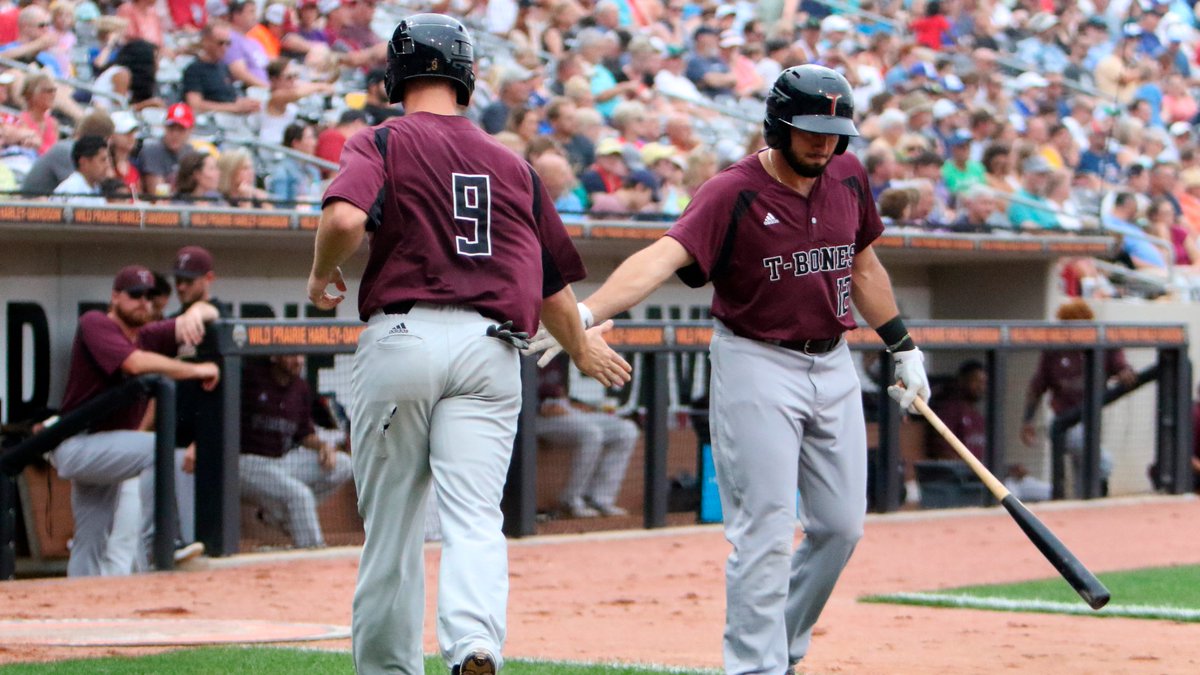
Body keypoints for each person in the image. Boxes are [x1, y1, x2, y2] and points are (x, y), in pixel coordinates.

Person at [526, 65, 931, 675]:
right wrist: (582, 313)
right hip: (756, 361)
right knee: (765, 531)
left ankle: (785, 646)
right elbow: (659, 258)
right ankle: (755, 666)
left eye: (833, 132)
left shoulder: (848, 175)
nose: (823, 143)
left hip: (834, 360)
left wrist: (903, 346)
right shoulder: (731, 190)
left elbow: (865, 269)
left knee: (842, 527)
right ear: (777, 126)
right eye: (809, 131)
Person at [305, 14, 631, 675]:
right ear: (467, 76)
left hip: (403, 336)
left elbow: (343, 216)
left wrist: (319, 272)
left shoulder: (383, 139)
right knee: (475, 517)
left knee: (392, 529)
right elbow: (549, 283)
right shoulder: (512, 163)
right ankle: (475, 645)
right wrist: (581, 347)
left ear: (395, 74)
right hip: (490, 350)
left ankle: (391, 668)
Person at [51, 265, 219, 577]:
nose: (143, 302)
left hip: (107, 449)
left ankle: (81, 608)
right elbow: (134, 363)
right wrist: (196, 370)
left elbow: (205, 312)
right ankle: (165, 541)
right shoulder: (96, 322)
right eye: (135, 295)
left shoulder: (146, 335)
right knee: (162, 449)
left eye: (149, 296)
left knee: (91, 540)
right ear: (115, 296)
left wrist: (196, 311)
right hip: (78, 442)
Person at [1020, 298, 1137, 497]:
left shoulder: (1102, 342)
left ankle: (1085, 509)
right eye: (1068, 325)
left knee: (1083, 473)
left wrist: (1125, 372)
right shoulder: (1054, 349)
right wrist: (1027, 421)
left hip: (1092, 420)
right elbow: (1036, 388)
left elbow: (1122, 367)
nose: (1072, 330)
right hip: (1064, 422)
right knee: (1101, 462)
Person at [237, 354, 352, 548]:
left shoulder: (301, 388)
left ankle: (277, 515)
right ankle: (313, 551)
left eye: (300, 356)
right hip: (245, 465)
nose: (298, 361)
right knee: (300, 496)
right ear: (274, 356)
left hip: (281, 463)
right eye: (291, 355)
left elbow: (304, 434)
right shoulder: (252, 380)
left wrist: (324, 446)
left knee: (343, 465)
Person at [536, 353, 638, 518]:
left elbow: (559, 391)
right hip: (533, 417)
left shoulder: (556, 349)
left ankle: (600, 498)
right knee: (591, 433)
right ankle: (571, 499)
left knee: (626, 430)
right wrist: (537, 407)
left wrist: (575, 404)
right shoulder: (521, 346)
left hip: (564, 411)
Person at [138, 102, 194, 198]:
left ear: (190, 131)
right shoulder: (153, 150)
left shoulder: (190, 153)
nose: (175, 134)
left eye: (181, 129)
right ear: (164, 127)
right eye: (171, 128)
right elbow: (157, 194)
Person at [52, 135, 110, 205]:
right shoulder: (72, 190)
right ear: (84, 162)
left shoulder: (96, 188)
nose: (107, 165)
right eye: (102, 160)